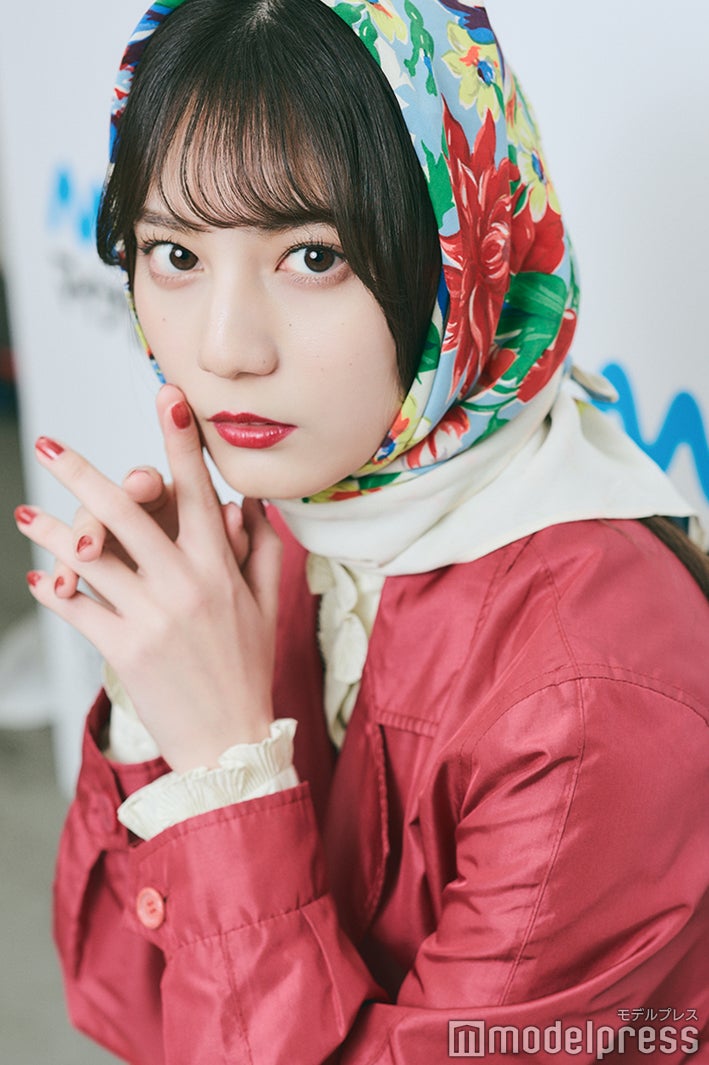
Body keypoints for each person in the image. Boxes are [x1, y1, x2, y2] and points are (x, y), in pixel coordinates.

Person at [14, 1, 709, 1062]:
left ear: (458, 253)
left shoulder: (589, 692)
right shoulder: (300, 520)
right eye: (175, 252)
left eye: (312, 255)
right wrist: (165, 704)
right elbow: (135, 1008)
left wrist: (225, 766)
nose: (226, 347)